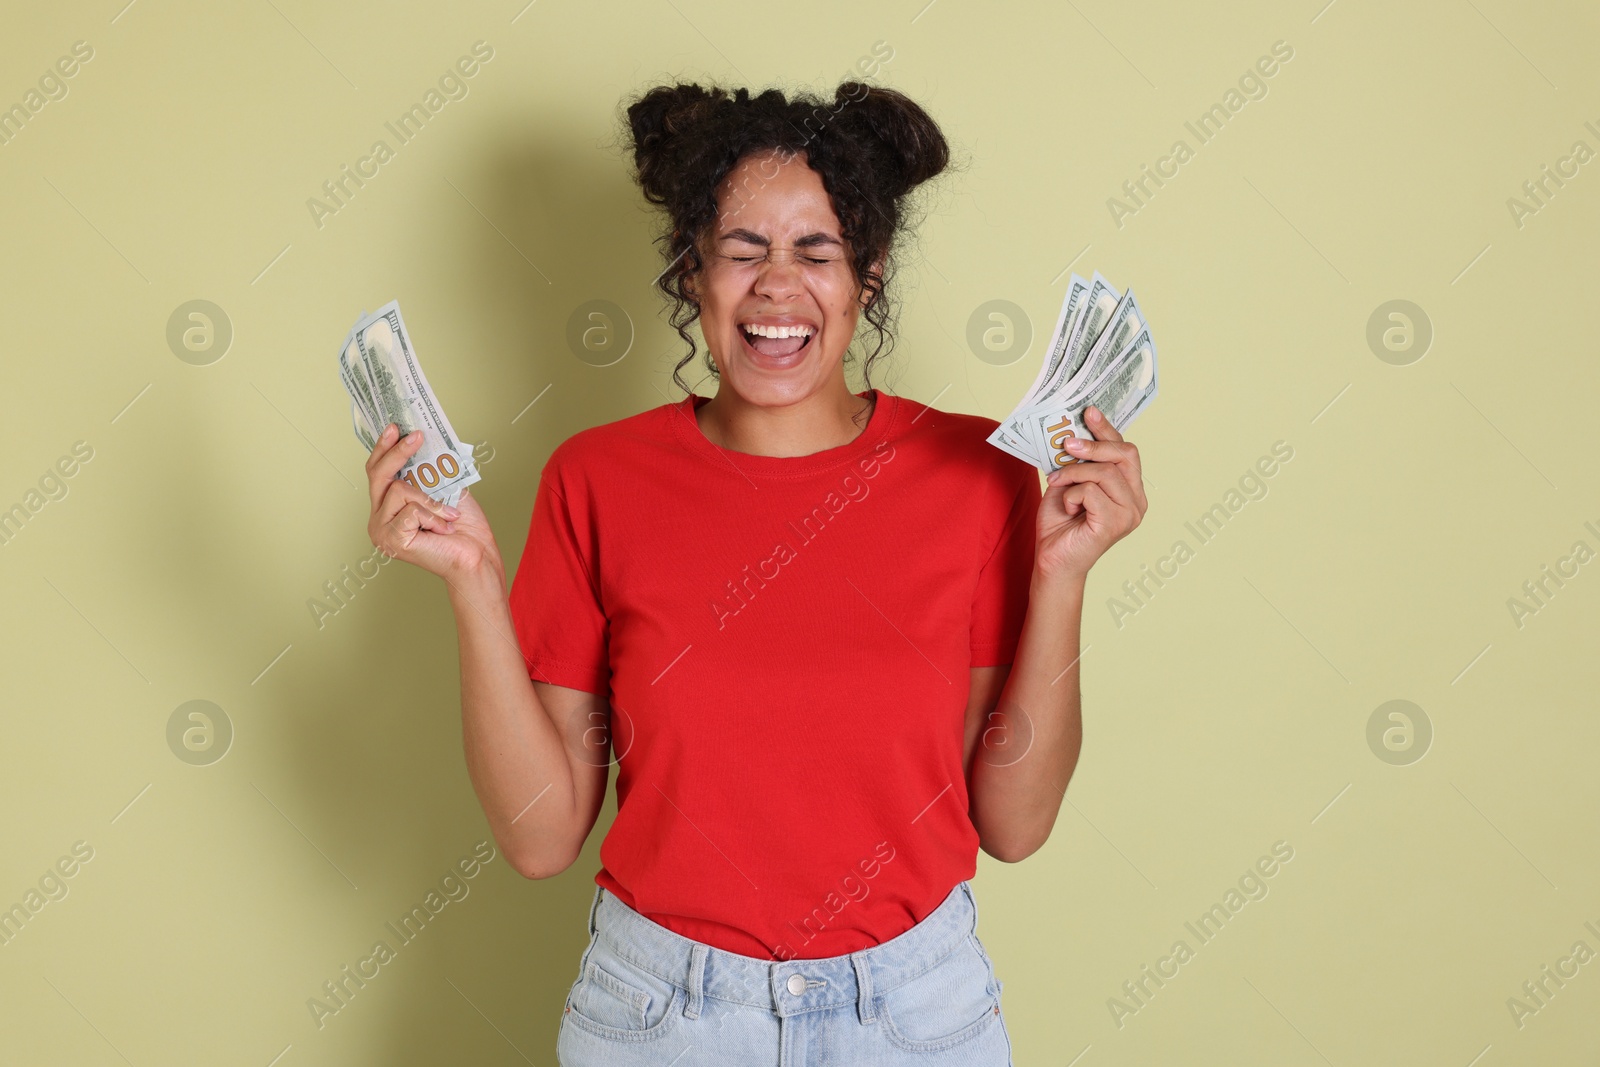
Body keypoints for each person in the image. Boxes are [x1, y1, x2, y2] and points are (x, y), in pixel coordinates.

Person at [363, 79, 1147, 1066]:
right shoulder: (596, 479)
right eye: (743, 249)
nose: (778, 284)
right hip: (658, 1014)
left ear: (867, 273)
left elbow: (1016, 822)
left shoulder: (979, 478)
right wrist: (471, 580)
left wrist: (1064, 576)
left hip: (914, 1013)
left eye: (815, 251)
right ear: (692, 272)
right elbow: (539, 836)